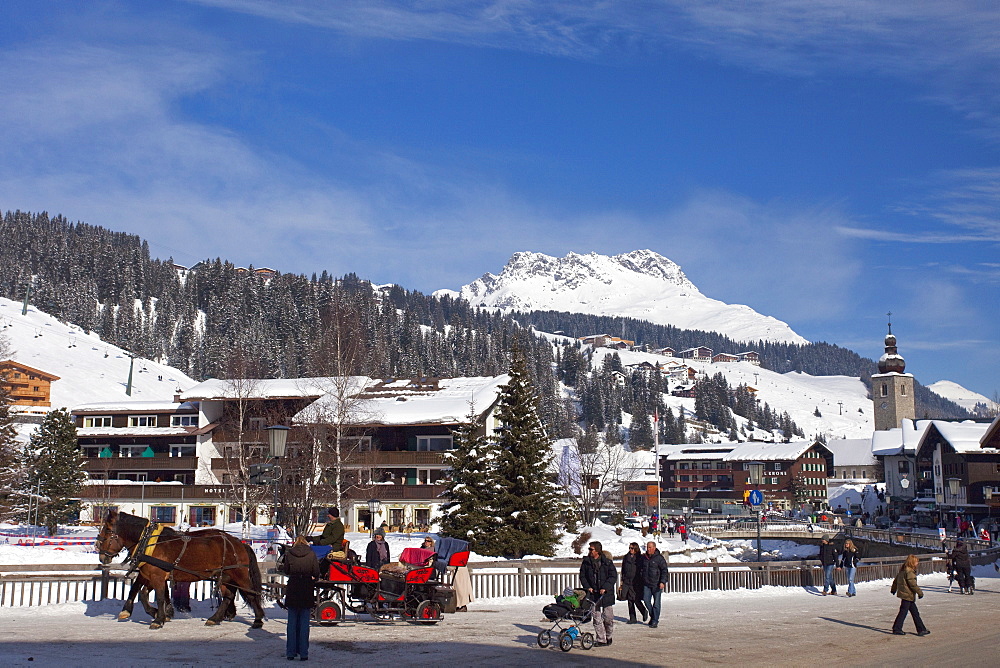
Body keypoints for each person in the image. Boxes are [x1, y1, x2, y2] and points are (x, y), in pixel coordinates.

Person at [282, 536, 321, 660]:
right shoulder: (311, 554)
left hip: (293, 587)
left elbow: (286, 570)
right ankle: (304, 653)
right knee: (304, 623)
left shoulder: (290, 554)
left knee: (292, 623)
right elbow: (316, 572)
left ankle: (290, 652)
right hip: (306, 588)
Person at [580, 541, 617, 647]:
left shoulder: (607, 562)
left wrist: (605, 587)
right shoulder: (586, 562)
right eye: (589, 549)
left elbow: (613, 576)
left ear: (597, 550)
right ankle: (601, 639)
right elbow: (583, 576)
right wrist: (588, 587)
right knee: (596, 618)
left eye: (591, 549)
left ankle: (608, 636)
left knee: (608, 617)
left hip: (606, 594)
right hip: (593, 594)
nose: (589, 551)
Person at [890, 554, 930, 636]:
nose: (917, 563)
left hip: (906, 595)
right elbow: (913, 585)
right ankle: (897, 628)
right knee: (903, 612)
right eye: (916, 562)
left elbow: (896, 581)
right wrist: (920, 593)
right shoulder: (909, 572)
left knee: (914, 612)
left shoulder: (903, 570)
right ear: (912, 562)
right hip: (907, 595)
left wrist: (893, 589)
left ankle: (921, 629)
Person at [640, 540, 668, 629]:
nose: (648, 549)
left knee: (656, 603)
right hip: (646, 583)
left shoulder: (659, 558)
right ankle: (653, 617)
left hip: (656, 584)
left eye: (650, 547)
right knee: (646, 600)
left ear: (654, 548)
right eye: (647, 547)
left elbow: (664, 571)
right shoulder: (644, 558)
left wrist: (662, 582)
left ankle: (655, 620)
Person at [620, 542, 648, 624]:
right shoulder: (626, 557)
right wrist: (623, 579)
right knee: (629, 600)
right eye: (629, 548)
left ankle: (643, 611)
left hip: (636, 581)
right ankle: (632, 617)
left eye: (632, 548)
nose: (630, 550)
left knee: (636, 599)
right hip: (627, 581)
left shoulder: (640, 558)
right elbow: (623, 569)